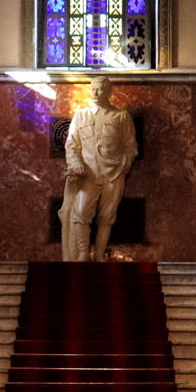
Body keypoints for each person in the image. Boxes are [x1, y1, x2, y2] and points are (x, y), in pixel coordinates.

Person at [58, 76, 138, 261]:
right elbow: (72, 145)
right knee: (81, 213)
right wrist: (75, 164)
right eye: (93, 89)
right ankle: (82, 253)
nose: (95, 93)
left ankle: (100, 254)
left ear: (109, 92)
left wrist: (124, 167)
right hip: (88, 174)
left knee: (107, 216)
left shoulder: (121, 116)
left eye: (100, 89)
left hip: (113, 174)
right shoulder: (81, 115)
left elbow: (130, 147)